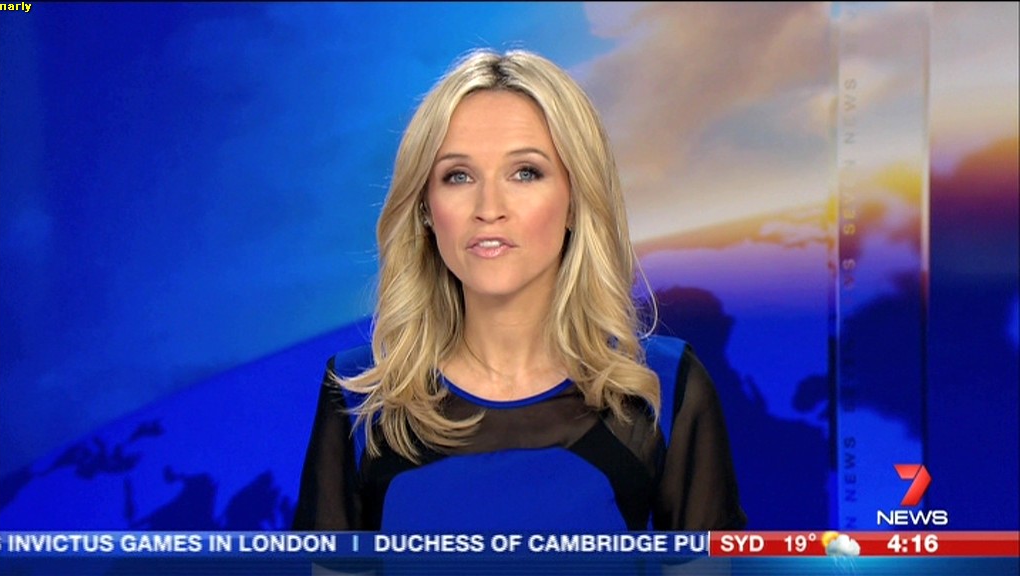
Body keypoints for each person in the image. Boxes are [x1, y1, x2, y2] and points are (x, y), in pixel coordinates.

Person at [292, 48, 746, 532]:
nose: (489, 207)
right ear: (425, 208)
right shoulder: (358, 397)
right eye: (458, 176)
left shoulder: (663, 389)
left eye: (525, 172)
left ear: (576, 200)